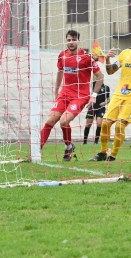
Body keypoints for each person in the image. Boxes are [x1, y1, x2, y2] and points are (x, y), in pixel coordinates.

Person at [40, 30, 103, 161]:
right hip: (64, 93)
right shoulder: (62, 55)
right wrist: (56, 89)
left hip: (81, 96)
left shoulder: (86, 57)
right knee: (50, 121)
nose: (71, 42)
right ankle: (39, 151)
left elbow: (100, 76)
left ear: (78, 41)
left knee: (64, 121)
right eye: (68, 40)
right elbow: (60, 71)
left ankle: (68, 147)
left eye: (73, 40)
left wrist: (94, 95)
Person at [83, 81, 110, 145]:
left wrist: (104, 103)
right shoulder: (94, 84)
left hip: (101, 107)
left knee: (99, 124)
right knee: (88, 124)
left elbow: (108, 99)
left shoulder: (106, 88)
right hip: (92, 106)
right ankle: (85, 141)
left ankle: (96, 141)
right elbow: (95, 76)